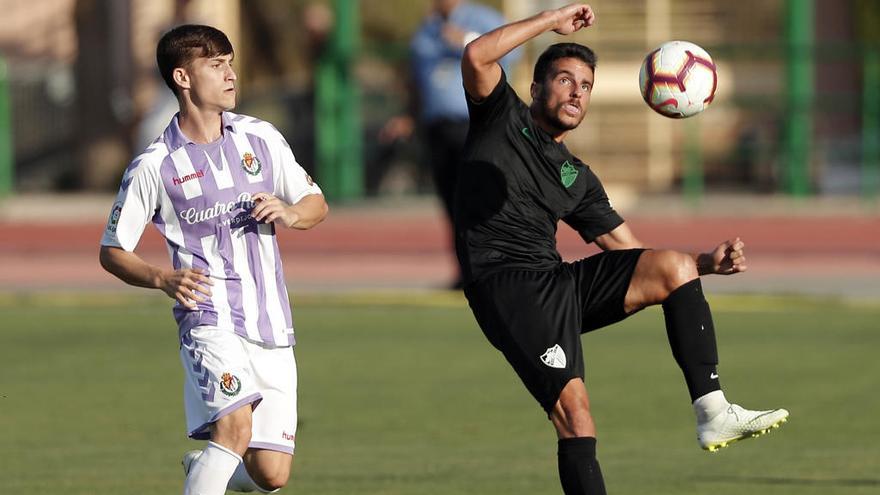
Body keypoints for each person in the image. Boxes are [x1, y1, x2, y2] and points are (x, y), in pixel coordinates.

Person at [456, 5, 788, 494]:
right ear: (535, 89)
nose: (576, 91)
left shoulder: (577, 177)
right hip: (507, 289)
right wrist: (551, 21)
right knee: (576, 416)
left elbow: (629, 251)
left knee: (671, 265)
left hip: (556, 280)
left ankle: (714, 412)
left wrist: (703, 266)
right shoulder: (500, 117)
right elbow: (477, 54)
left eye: (585, 85)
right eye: (564, 79)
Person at [99, 25, 328, 495]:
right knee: (233, 430)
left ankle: (204, 470)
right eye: (216, 65)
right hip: (208, 317)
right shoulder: (155, 164)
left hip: (271, 320)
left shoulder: (259, 137)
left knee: (271, 474)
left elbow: (315, 202)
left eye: (230, 62)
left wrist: (289, 211)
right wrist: (161, 277)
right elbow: (113, 250)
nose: (231, 74)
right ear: (183, 77)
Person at [381, 0, 518, 289]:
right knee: (452, 202)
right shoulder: (427, 29)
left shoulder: (484, 18)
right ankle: (466, 272)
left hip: (474, 123)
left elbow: (511, 55)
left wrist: (468, 42)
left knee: (482, 197)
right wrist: (408, 115)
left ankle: (496, 268)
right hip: (437, 128)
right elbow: (418, 80)